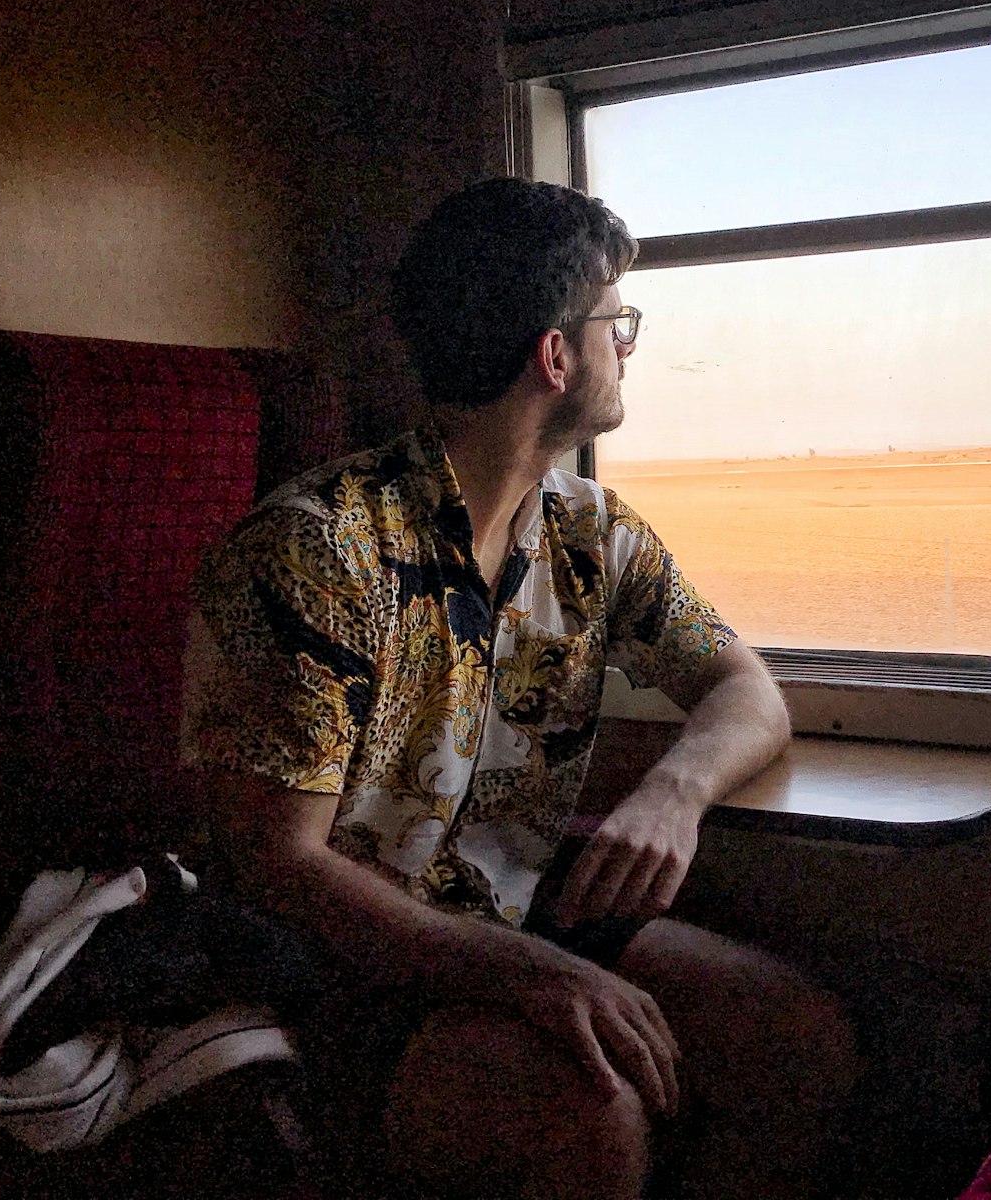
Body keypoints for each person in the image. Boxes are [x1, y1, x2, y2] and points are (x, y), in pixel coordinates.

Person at [181, 179, 856, 1200]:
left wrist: (670, 798)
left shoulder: (589, 534)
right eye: (613, 322)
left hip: (507, 913)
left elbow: (745, 689)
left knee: (798, 1039)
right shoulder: (319, 553)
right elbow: (275, 863)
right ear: (553, 356)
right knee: (590, 1113)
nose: (627, 344)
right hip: (328, 969)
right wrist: (529, 974)